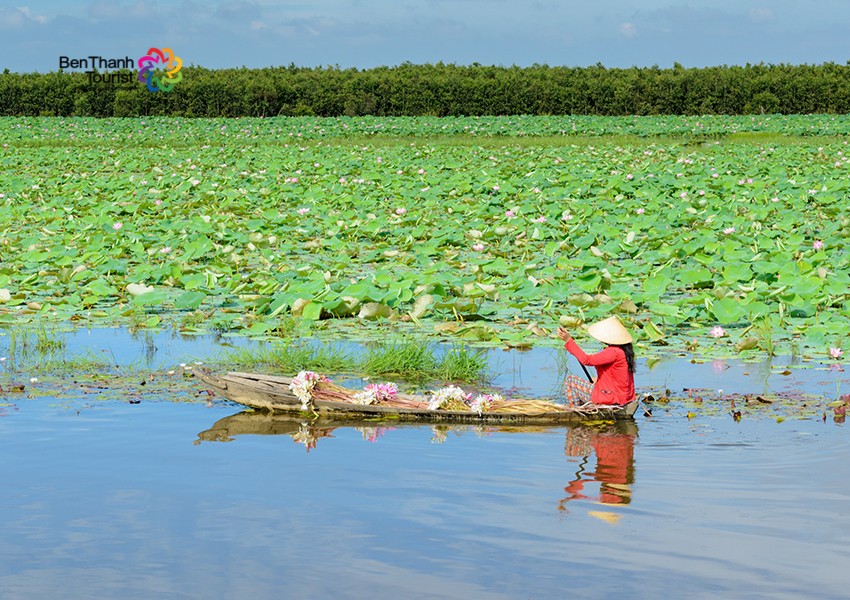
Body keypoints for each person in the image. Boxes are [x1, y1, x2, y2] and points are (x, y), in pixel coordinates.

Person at [556, 315, 635, 406]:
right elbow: (616, 375)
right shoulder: (624, 351)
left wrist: (568, 340)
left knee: (571, 381)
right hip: (624, 396)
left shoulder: (613, 352)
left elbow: (586, 360)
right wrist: (598, 381)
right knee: (594, 381)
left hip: (611, 398)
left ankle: (576, 410)